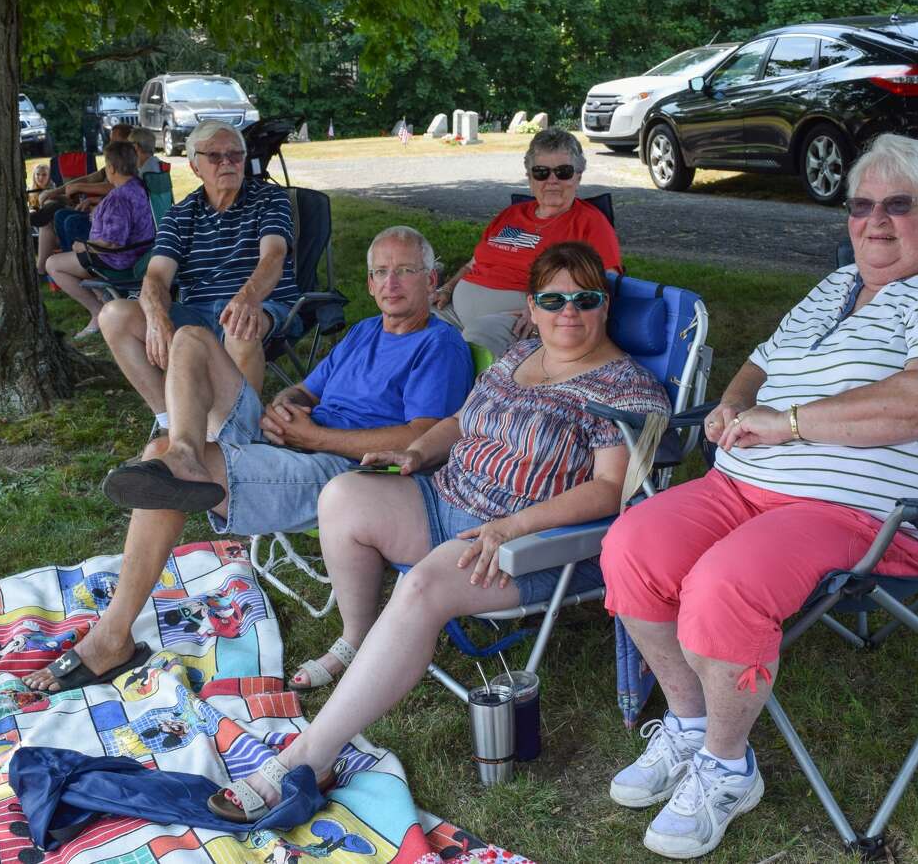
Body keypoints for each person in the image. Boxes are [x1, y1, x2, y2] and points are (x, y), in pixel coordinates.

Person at [598, 134, 918, 860]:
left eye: (900, 205)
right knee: (631, 546)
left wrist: (792, 425)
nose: (875, 222)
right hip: (742, 482)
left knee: (722, 585)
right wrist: (730, 408)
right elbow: (759, 367)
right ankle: (689, 721)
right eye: (862, 206)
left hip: (865, 513)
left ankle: (729, 768)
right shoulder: (834, 287)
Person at [204, 242, 670, 822]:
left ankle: (308, 757)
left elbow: (609, 490)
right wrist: (414, 452)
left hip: (527, 541)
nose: (567, 311)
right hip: (445, 496)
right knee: (343, 495)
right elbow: (457, 420)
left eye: (585, 298)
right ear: (532, 304)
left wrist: (511, 525)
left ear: (605, 306)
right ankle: (359, 637)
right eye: (553, 298)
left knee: (421, 587)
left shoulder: (627, 389)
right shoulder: (519, 354)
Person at [21, 226, 473, 694]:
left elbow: (422, 438)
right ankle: (185, 452)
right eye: (381, 272)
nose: (391, 283)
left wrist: (314, 435)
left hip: (347, 475)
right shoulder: (365, 331)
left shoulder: (439, 346)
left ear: (432, 278)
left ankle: (111, 637)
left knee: (155, 459)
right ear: (370, 283)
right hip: (291, 441)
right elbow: (308, 388)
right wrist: (285, 404)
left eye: (405, 271)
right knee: (192, 337)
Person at [99, 119, 304, 421]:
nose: (227, 162)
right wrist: (156, 318)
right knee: (113, 315)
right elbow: (156, 276)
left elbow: (273, 255)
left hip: (261, 304)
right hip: (198, 312)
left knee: (240, 325)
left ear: (245, 160)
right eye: (215, 156)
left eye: (235, 154)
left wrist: (246, 299)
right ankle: (173, 422)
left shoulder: (269, 199)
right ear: (195, 167)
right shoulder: (180, 214)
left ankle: (237, 434)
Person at [432, 128, 622, 357]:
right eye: (541, 172)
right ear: (530, 178)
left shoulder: (590, 223)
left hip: (521, 320)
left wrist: (546, 311)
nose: (552, 181)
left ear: (578, 176)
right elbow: (472, 265)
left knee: (473, 346)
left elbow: (607, 282)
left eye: (563, 172)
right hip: (455, 310)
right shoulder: (511, 215)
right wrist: (447, 288)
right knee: (411, 321)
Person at [44, 141, 156, 340]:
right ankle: (101, 297)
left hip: (117, 260)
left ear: (111, 168)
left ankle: (97, 311)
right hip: (137, 253)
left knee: (53, 264)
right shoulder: (136, 186)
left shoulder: (119, 198)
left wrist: (84, 246)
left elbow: (113, 243)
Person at [32, 122, 135, 278]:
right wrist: (57, 191)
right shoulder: (119, 165)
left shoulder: (128, 174)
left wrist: (86, 194)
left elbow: (116, 189)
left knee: (69, 220)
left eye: (116, 140)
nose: (111, 143)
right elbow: (93, 178)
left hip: (113, 239)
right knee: (60, 214)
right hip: (104, 217)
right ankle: (68, 266)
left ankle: (77, 269)